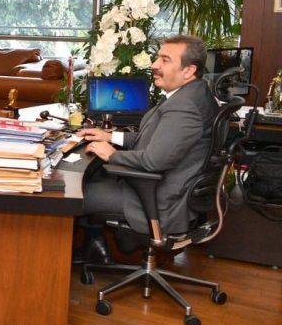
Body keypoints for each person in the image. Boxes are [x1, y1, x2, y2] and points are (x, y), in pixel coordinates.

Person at [76, 35, 218, 264]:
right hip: (163, 191)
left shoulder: (184, 106)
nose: (154, 64)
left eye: (165, 60)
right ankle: (94, 247)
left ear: (189, 70)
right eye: (157, 58)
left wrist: (112, 154)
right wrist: (111, 136)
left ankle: (81, 251)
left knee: (72, 194)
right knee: (93, 176)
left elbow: (153, 160)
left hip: (156, 201)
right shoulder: (192, 93)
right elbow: (158, 139)